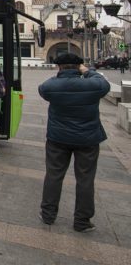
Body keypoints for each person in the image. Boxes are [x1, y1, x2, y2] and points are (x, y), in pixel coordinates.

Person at [38, 53, 110, 233]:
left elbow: (43, 88)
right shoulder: (93, 85)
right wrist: (88, 71)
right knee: (85, 179)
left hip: (57, 139)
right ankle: (82, 221)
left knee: (54, 175)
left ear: (59, 67)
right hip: (87, 140)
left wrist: (61, 76)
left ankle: (48, 215)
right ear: (79, 67)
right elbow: (104, 84)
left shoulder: (51, 87)